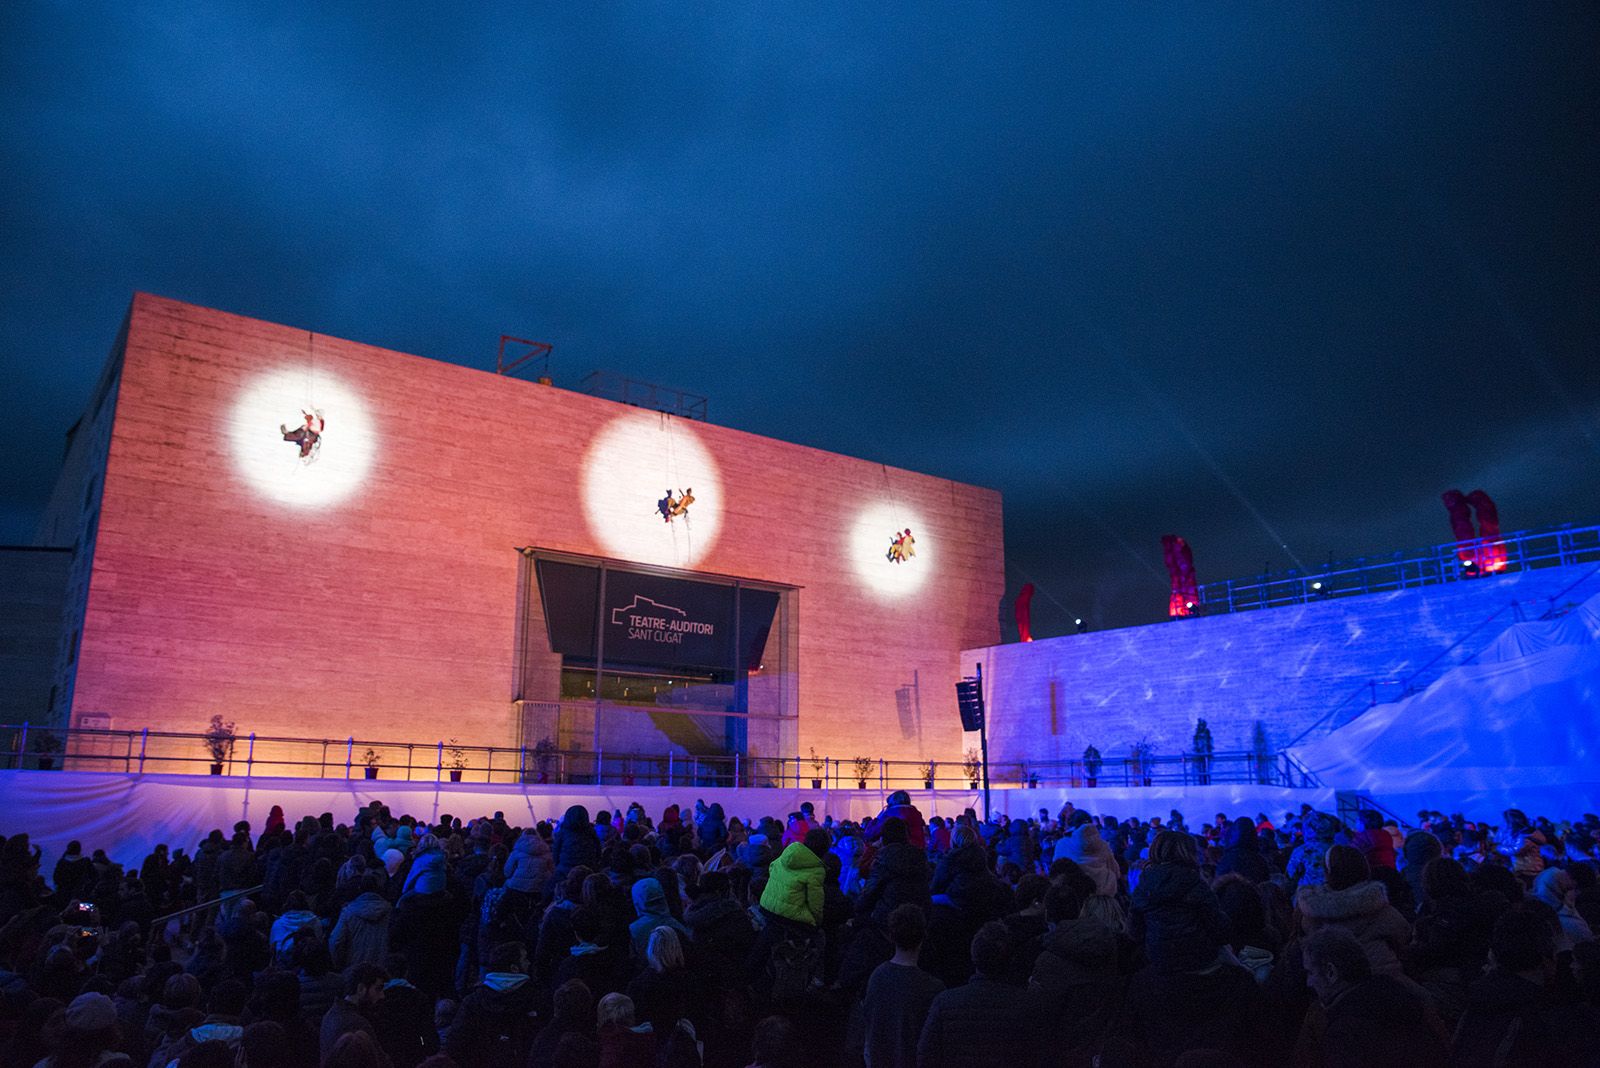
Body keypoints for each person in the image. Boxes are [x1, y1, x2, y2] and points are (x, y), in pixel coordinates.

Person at [1301, 928, 1446, 1067]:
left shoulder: (1345, 1033)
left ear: (1331, 972)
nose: (1308, 983)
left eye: (1310, 973)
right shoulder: (1398, 996)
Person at [917, 921, 1039, 1068]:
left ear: (973, 955)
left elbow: (925, 1056)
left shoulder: (944, 1002)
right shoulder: (1028, 1005)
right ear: (1011, 959)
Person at [863, 904, 944, 1068]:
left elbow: (869, 1023)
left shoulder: (877, 976)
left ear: (891, 936)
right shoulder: (934, 988)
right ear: (922, 938)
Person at [321, 963, 386, 1065]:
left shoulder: (330, 1015)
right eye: (378, 989)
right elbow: (379, 1061)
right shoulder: (358, 1024)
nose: (382, 995)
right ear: (361, 989)